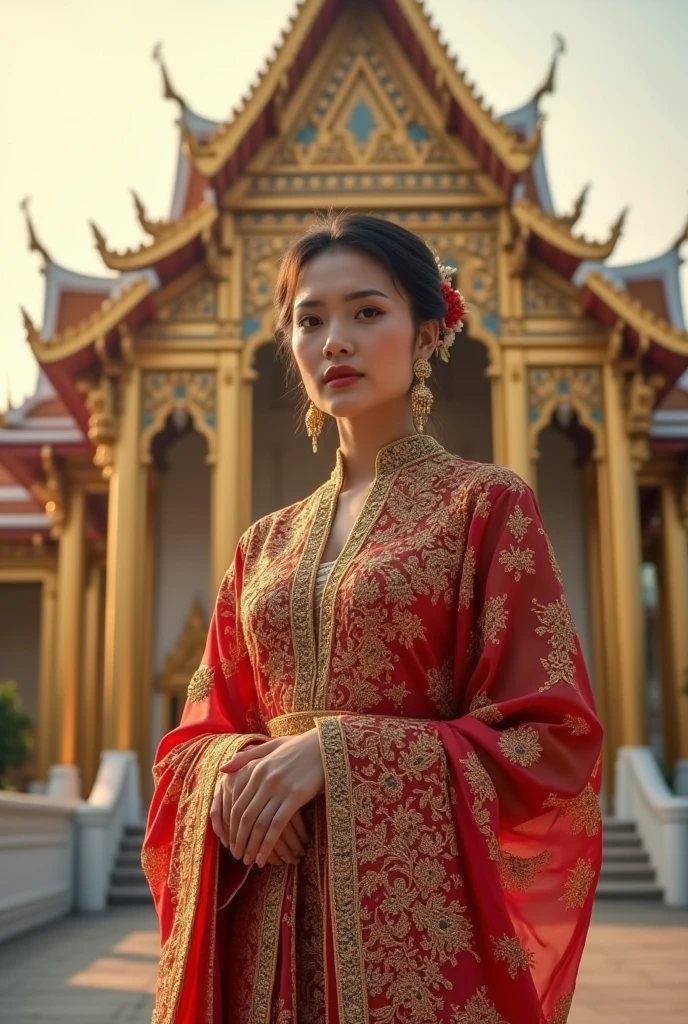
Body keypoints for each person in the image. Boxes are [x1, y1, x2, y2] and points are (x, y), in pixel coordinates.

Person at [143, 212, 603, 1024]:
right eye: (310, 320)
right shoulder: (263, 544)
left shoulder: (485, 506)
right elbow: (195, 735)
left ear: (429, 332)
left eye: (366, 312)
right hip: (263, 914)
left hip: (417, 933)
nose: (335, 341)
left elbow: (550, 737)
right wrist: (234, 776)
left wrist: (339, 755)